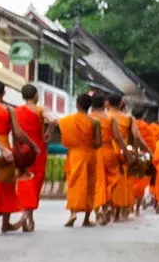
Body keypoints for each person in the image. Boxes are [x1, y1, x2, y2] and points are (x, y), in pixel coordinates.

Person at [0, 82, 28, 233]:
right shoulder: (9, 110)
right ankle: (5, 223)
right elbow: (17, 133)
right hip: (5, 147)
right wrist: (29, 146)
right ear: (3, 93)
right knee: (7, 184)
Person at [59, 94, 103, 228]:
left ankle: (73, 213)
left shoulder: (67, 120)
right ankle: (87, 219)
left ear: (77, 105)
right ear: (89, 106)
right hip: (90, 155)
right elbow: (99, 143)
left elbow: (65, 140)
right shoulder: (95, 122)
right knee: (90, 185)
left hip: (75, 155)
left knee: (74, 183)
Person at [13, 84, 49, 231]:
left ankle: (29, 218)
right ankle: (25, 216)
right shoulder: (40, 109)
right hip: (38, 149)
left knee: (25, 181)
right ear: (36, 95)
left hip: (22, 149)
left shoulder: (16, 111)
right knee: (36, 182)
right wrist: (48, 132)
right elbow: (53, 120)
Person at [101, 95, 137, 222]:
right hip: (121, 150)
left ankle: (105, 206)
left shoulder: (103, 117)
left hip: (105, 149)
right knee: (119, 181)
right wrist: (132, 152)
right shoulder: (128, 118)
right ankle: (116, 211)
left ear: (107, 103)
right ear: (121, 103)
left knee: (103, 180)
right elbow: (135, 136)